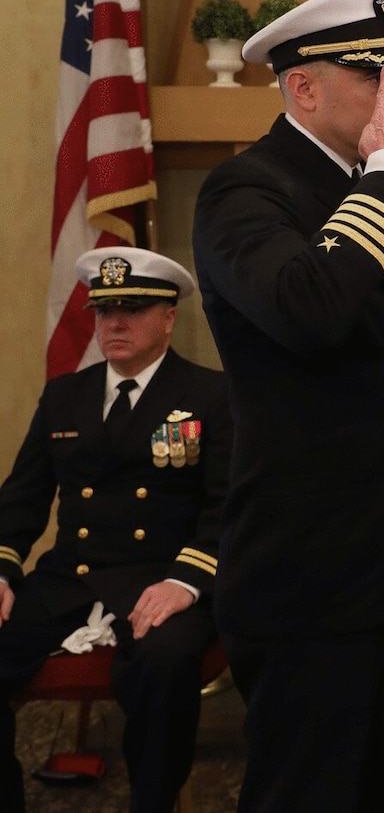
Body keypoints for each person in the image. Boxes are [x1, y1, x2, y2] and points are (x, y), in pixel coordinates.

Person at [191, 0, 384, 812]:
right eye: (378, 76)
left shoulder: (355, 183)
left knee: (364, 789)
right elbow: (310, 310)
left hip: (382, 568)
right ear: (303, 87)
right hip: (309, 576)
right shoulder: (247, 190)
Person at [0, 247, 230, 812]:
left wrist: (188, 582)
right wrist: (2, 567)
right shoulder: (66, 396)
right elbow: (23, 497)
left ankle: (152, 803)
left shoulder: (210, 395)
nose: (115, 324)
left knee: (165, 662)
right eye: (104, 311)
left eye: (132, 308)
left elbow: (231, 506)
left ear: (169, 316)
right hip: (71, 578)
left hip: (163, 579)